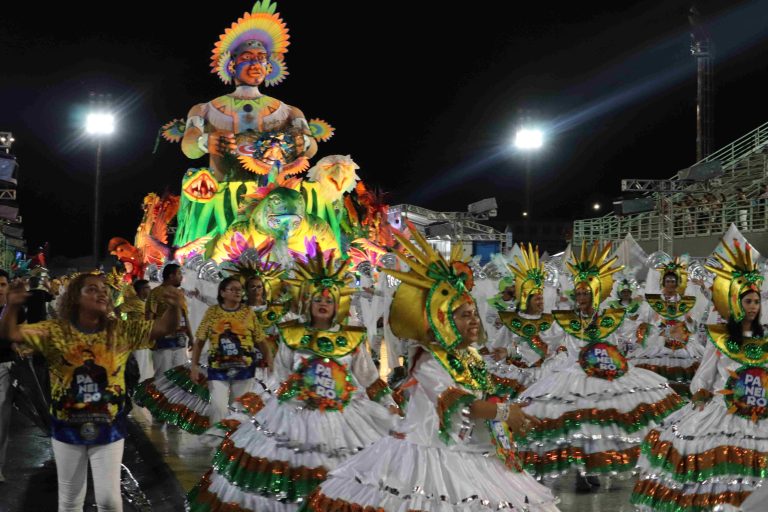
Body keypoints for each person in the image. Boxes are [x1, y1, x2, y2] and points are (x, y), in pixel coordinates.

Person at [301, 227, 559, 511]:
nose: (474, 321)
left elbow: (485, 398)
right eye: (464, 315)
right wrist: (505, 412)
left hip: (466, 449)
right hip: (425, 452)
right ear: (443, 320)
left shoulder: (470, 355)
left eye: (474, 314)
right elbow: (462, 403)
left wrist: (506, 416)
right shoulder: (429, 360)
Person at [187, 244, 398, 511]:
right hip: (295, 416)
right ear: (308, 302)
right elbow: (279, 375)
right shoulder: (292, 335)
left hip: (344, 417)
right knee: (294, 473)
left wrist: (387, 402)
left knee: (343, 477)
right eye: (318, 299)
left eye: (329, 300)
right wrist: (258, 400)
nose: (323, 304)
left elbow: (368, 377)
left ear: (338, 303)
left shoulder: (351, 337)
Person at [0, 272, 183, 512]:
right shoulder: (55, 331)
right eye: (92, 289)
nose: (102, 292)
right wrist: (11, 306)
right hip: (67, 430)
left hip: (109, 429)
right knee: (70, 499)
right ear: (75, 298)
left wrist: (175, 307)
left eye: (104, 289)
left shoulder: (120, 330)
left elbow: (163, 327)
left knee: (108, 499)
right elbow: (10, 333)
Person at [515, 242, 684, 491]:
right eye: (579, 294)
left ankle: (596, 466)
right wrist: (524, 337)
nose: (582, 298)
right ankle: (581, 469)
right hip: (573, 376)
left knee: (604, 424)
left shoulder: (609, 318)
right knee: (579, 423)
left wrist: (655, 329)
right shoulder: (566, 320)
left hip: (607, 374)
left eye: (586, 293)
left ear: (595, 294)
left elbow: (628, 338)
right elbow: (546, 340)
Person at [631, 240, 768, 510]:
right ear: (736, 304)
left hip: (760, 408)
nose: (752, 306)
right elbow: (705, 373)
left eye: (756, 301)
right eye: (747, 301)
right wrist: (701, 392)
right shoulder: (721, 337)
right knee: (714, 465)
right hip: (724, 408)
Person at [189, 277, 267, 425]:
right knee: (218, 407)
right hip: (218, 369)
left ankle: (232, 444)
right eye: (233, 289)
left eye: (240, 289)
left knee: (239, 410)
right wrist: (194, 366)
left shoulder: (248, 313)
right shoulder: (212, 312)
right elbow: (199, 341)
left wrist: (268, 358)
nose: (238, 292)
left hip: (245, 370)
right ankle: (217, 442)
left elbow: (261, 339)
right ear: (222, 293)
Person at [630, 259, 703, 396]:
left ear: (677, 283)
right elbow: (642, 322)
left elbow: (692, 326)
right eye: (668, 281)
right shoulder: (653, 301)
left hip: (681, 341)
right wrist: (653, 329)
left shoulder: (684, 302)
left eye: (673, 281)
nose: (670, 284)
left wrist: (688, 321)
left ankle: (681, 394)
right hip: (658, 340)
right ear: (663, 282)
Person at [146, 264, 192, 378]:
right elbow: (149, 316)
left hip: (180, 342)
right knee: (162, 378)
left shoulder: (180, 294)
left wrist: (191, 337)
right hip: (162, 343)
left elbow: (184, 317)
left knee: (180, 378)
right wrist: (150, 339)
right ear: (171, 276)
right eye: (179, 274)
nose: (181, 277)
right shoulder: (155, 293)